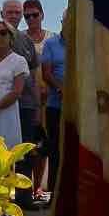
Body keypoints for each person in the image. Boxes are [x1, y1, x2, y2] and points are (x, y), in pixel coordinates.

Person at [3, 0, 47, 207]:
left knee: (27, 153)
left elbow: (36, 75)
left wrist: (38, 107)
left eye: (17, 12)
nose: (14, 15)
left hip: (27, 105)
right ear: (2, 13)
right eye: (10, 12)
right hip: (2, 106)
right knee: (1, 154)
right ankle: (0, 199)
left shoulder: (27, 41)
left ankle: (24, 197)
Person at [40, 14, 67, 184]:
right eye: (67, 20)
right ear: (63, 22)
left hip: (79, 108)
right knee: (55, 150)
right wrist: (60, 89)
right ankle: (52, 192)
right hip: (55, 105)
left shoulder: (83, 43)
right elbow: (46, 73)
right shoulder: (51, 43)